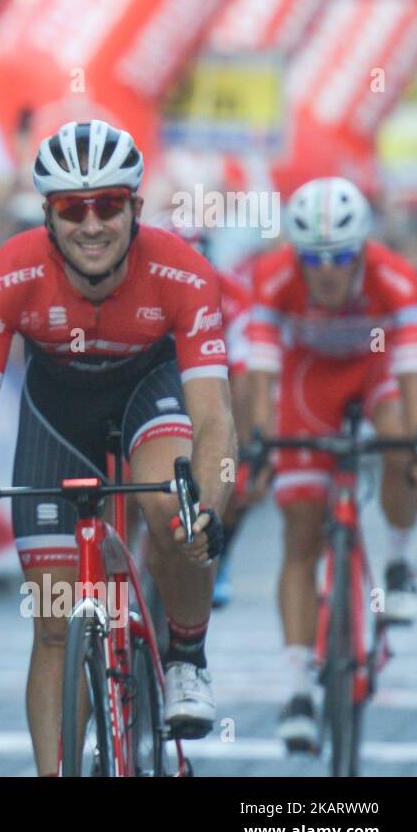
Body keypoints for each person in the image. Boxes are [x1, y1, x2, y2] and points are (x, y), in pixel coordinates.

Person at [0, 120, 236, 776]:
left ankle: (186, 654)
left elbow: (215, 420)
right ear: (48, 215)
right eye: (74, 208)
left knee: (172, 506)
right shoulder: (9, 273)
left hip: (149, 394)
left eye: (109, 205)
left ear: (135, 207)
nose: (92, 224)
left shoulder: (182, 272)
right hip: (58, 413)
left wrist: (207, 509)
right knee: (52, 623)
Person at [242, 176, 417, 753]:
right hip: (307, 383)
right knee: (301, 533)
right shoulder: (273, 278)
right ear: (295, 253)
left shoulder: (394, 277)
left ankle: (397, 562)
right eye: (314, 258)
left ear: (363, 249)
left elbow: (412, 370)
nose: (327, 270)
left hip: (375, 372)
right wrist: (256, 444)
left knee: (403, 441)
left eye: (342, 257)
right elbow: (260, 375)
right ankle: (298, 690)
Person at [169, 220, 256, 608]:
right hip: (160, 390)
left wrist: (244, 442)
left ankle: (220, 556)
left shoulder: (235, 295)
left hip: (213, 389)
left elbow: (242, 381)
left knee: (235, 478)